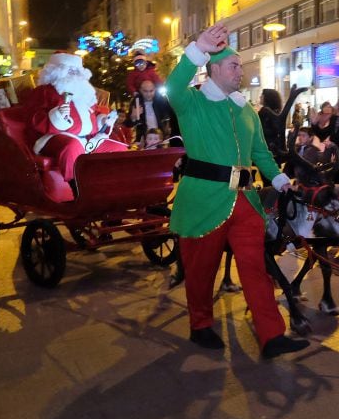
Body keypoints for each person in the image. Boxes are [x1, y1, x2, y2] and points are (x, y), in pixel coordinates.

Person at [166, 24, 309, 358]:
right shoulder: (192, 102)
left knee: (255, 267)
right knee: (201, 270)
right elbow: (172, 87)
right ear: (213, 69)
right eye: (233, 66)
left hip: (245, 201)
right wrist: (197, 48)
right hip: (204, 200)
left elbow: (260, 153)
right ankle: (200, 325)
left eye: (240, 66)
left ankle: (272, 335)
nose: (240, 72)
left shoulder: (246, 111)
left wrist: (279, 179)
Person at [20, 52, 125, 184]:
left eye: (77, 71)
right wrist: (58, 117)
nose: (74, 75)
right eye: (70, 70)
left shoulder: (85, 92)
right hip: (54, 137)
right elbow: (34, 118)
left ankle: (113, 186)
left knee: (118, 148)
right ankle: (76, 189)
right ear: (55, 71)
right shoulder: (43, 91)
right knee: (72, 147)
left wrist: (103, 120)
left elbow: (96, 112)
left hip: (88, 139)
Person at [124, 79, 180, 147]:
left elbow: (173, 115)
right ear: (140, 90)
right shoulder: (136, 102)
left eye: (151, 91)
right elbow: (127, 124)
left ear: (155, 90)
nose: (148, 94)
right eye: (145, 91)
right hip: (144, 142)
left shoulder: (161, 101)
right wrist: (133, 117)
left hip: (161, 140)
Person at [258, 88, 287, 165]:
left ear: (267, 98)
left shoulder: (265, 111)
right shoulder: (277, 112)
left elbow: (259, 130)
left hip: (266, 150)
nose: (260, 97)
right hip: (276, 151)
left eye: (262, 95)